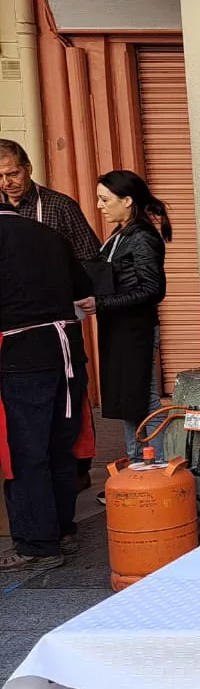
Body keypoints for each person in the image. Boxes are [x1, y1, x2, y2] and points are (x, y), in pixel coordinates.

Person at [0, 139, 100, 488]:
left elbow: (91, 257)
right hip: (14, 325)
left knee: (66, 397)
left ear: (27, 167)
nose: (6, 183)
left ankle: (79, 465)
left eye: (12, 173)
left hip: (60, 314)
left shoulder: (58, 207)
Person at [0, 193, 92, 571]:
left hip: (22, 355)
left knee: (27, 452)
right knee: (59, 444)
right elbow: (82, 289)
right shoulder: (48, 234)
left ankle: (38, 544)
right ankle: (63, 530)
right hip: (66, 350)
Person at [80, 171, 169, 464]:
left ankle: (151, 467)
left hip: (135, 330)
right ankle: (138, 465)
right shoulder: (121, 234)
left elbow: (153, 289)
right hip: (118, 328)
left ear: (127, 201)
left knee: (144, 399)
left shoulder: (142, 237)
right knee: (131, 402)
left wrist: (102, 302)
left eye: (105, 199)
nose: (99, 205)